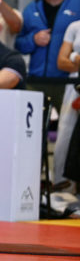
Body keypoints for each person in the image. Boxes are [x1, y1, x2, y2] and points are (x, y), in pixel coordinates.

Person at [16, 0, 80, 112]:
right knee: (31, 126)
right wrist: (33, 40)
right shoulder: (31, 8)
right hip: (36, 81)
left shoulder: (77, 6)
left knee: (67, 127)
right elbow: (18, 44)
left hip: (68, 82)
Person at [53, 17, 80, 189]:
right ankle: (61, 184)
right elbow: (61, 62)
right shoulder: (74, 26)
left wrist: (74, 56)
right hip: (73, 85)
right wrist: (74, 58)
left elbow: (68, 58)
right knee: (65, 134)